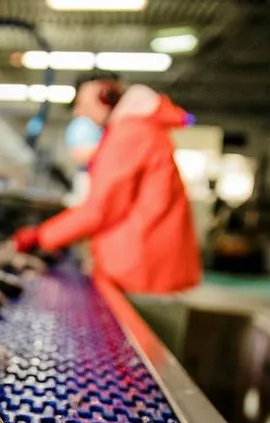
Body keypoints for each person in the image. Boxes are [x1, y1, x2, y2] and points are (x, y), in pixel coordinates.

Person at [12, 73, 201, 294]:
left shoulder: (129, 132)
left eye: (82, 104)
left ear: (105, 96)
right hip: (149, 262)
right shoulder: (140, 128)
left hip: (139, 268)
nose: (79, 112)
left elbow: (101, 209)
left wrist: (41, 236)